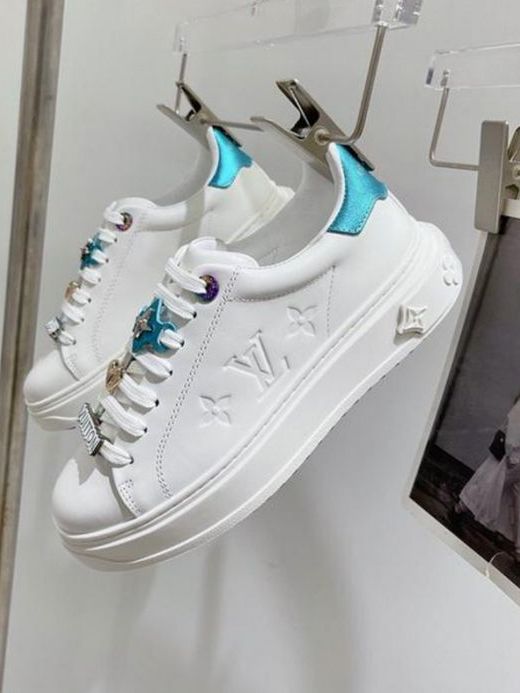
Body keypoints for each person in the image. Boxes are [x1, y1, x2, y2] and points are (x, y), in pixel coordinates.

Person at [455, 396, 520, 560]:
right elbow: (513, 430)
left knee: (506, 495)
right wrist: (512, 458)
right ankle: (459, 509)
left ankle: (516, 546)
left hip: (514, 462)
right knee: (487, 486)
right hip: (508, 459)